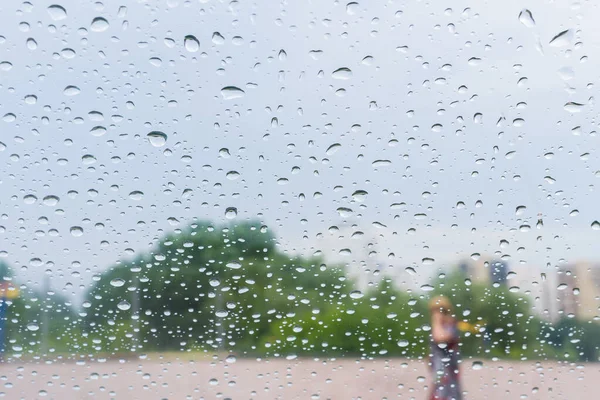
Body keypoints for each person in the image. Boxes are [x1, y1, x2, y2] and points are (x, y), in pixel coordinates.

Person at [428, 295, 462, 400]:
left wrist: (436, 322)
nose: (436, 314)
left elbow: (440, 338)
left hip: (448, 370)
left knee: (446, 394)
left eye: (438, 311)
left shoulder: (450, 324)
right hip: (440, 369)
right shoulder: (441, 325)